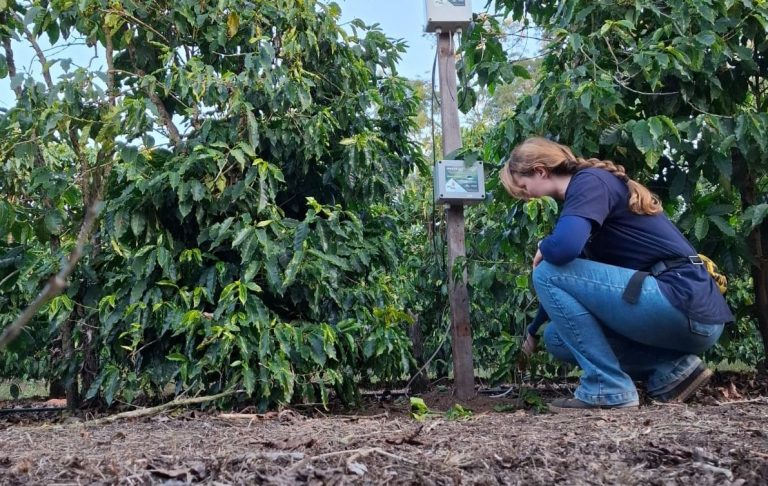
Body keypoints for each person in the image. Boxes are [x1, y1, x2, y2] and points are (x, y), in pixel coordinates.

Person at [501, 137, 733, 411]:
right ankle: (673, 370)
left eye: (523, 187)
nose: (527, 196)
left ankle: (607, 388)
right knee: (556, 337)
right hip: (683, 311)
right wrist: (532, 332)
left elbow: (562, 251)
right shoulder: (586, 203)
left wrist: (544, 245)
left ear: (540, 171)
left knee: (546, 271)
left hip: (681, 300)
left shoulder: (589, 183)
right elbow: (565, 286)